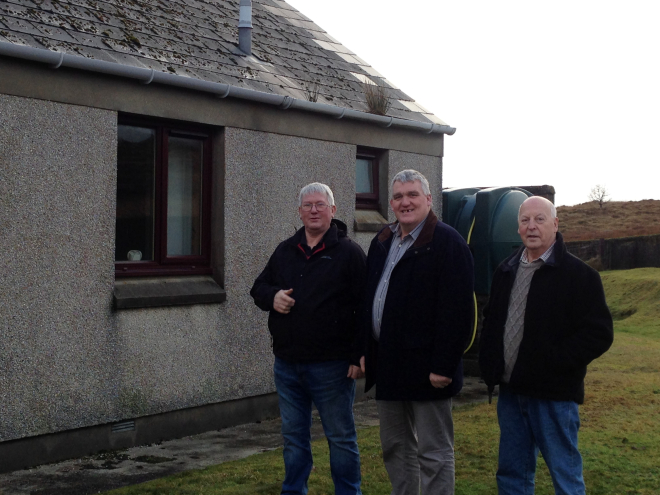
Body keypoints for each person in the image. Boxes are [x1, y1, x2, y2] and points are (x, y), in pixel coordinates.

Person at [479, 195, 614, 495]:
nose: (532, 226)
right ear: (517, 229)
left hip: (554, 396)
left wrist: (554, 362)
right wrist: (490, 364)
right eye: (525, 220)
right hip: (511, 393)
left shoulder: (580, 276)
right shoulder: (506, 270)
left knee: (564, 476)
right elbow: (491, 320)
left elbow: (599, 333)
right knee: (512, 475)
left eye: (540, 219)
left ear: (555, 224)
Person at [360, 169, 475, 495]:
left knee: (434, 452)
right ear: (391, 203)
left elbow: (458, 313)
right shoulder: (382, 241)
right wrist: (367, 350)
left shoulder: (447, 243)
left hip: (429, 370)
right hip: (390, 366)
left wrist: (443, 365)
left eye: (412, 195)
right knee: (395, 446)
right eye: (398, 196)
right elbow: (371, 298)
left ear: (428, 199)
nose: (405, 202)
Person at [250, 182, 366, 495]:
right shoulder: (286, 250)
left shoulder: (349, 254)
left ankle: (348, 491)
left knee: (340, 438)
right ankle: (293, 491)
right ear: (300, 212)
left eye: (320, 204)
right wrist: (272, 296)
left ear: (333, 211)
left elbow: (364, 308)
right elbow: (258, 288)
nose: (313, 210)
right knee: (293, 438)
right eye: (307, 205)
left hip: (332, 366)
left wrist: (358, 355)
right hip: (287, 365)